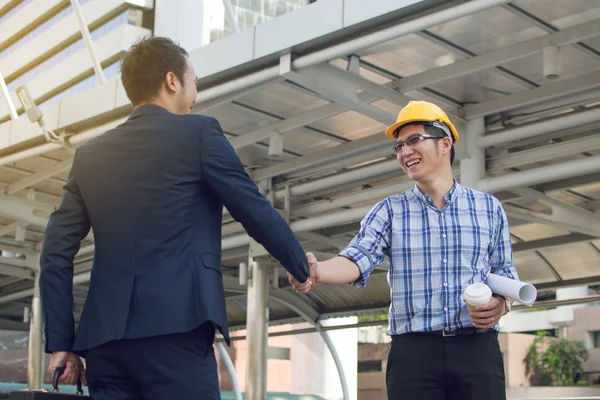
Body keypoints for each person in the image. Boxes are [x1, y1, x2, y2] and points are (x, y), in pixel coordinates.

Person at [40, 36, 310, 400]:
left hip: (105, 346)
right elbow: (253, 208)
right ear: (171, 81)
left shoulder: (89, 156)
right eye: (194, 80)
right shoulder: (199, 133)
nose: (196, 91)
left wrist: (60, 341)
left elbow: (55, 252)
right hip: (177, 333)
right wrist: (300, 265)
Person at [289, 101, 517, 400]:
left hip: (477, 349)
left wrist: (501, 304)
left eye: (413, 141)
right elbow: (356, 258)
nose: (404, 152)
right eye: (398, 147)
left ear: (445, 143)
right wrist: (316, 271)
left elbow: (505, 272)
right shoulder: (389, 211)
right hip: (414, 355)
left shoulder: (489, 208)